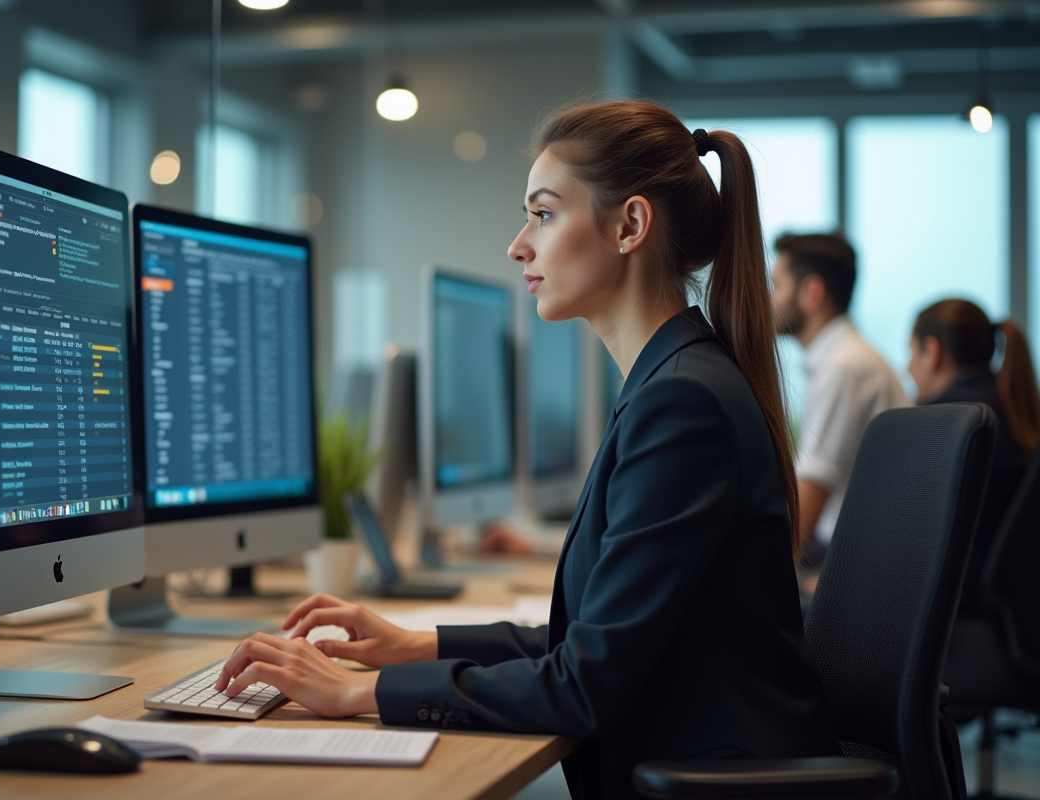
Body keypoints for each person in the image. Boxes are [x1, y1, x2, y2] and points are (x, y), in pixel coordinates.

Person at [213, 101, 837, 798]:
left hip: (703, 775)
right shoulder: (676, 381)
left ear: (629, 225)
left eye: (543, 214)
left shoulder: (681, 402)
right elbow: (596, 642)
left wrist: (361, 693)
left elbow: (584, 686)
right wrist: (416, 645)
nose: (519, 245)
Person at [770, 233, 908, 559]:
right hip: (863, 554)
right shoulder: (847, 358)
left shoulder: (842, 366)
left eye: (777, 285)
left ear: (811, 293)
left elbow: (808, 500)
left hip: (857, 559)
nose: (770, 298)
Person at [907, 298, 1040, 607]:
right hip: (1010, 606)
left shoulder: (939, 421)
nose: (907, 366)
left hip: (954, 602)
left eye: (911, 352)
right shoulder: (1010, 404)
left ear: (932, 352)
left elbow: (907, 539)